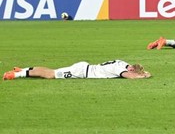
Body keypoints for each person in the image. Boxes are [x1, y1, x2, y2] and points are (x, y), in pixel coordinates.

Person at [3, 60, 151, 80]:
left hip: (84, 67)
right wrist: (145, 76)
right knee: (51, 74)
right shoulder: (119, 69)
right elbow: (130, 77)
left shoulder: (122, 62)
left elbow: (129, 72)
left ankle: (23, 69)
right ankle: (17, 75)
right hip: (81, 72)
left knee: (53, 71)